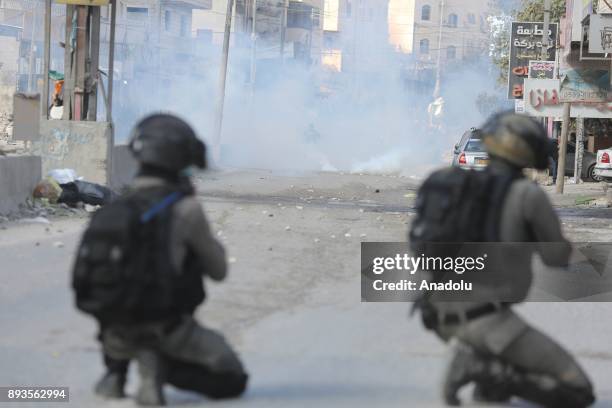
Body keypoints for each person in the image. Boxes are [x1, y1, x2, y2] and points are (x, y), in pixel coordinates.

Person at [409, 112, 595, 407]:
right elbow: (555, 257)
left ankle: (489, 380)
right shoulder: (526, 195)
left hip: (436, 313)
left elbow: (419, 244)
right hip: (488, 320)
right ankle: (480, 368)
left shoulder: (448, 183)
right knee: (578, 390)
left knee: (507, 373)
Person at [72, 114, 248, 405]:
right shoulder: (186, 208)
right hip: (168, 330)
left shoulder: (114, 208)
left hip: (114, 332)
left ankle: (115, 372)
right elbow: (218, 271)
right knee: (233, 379)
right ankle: (157, 365)